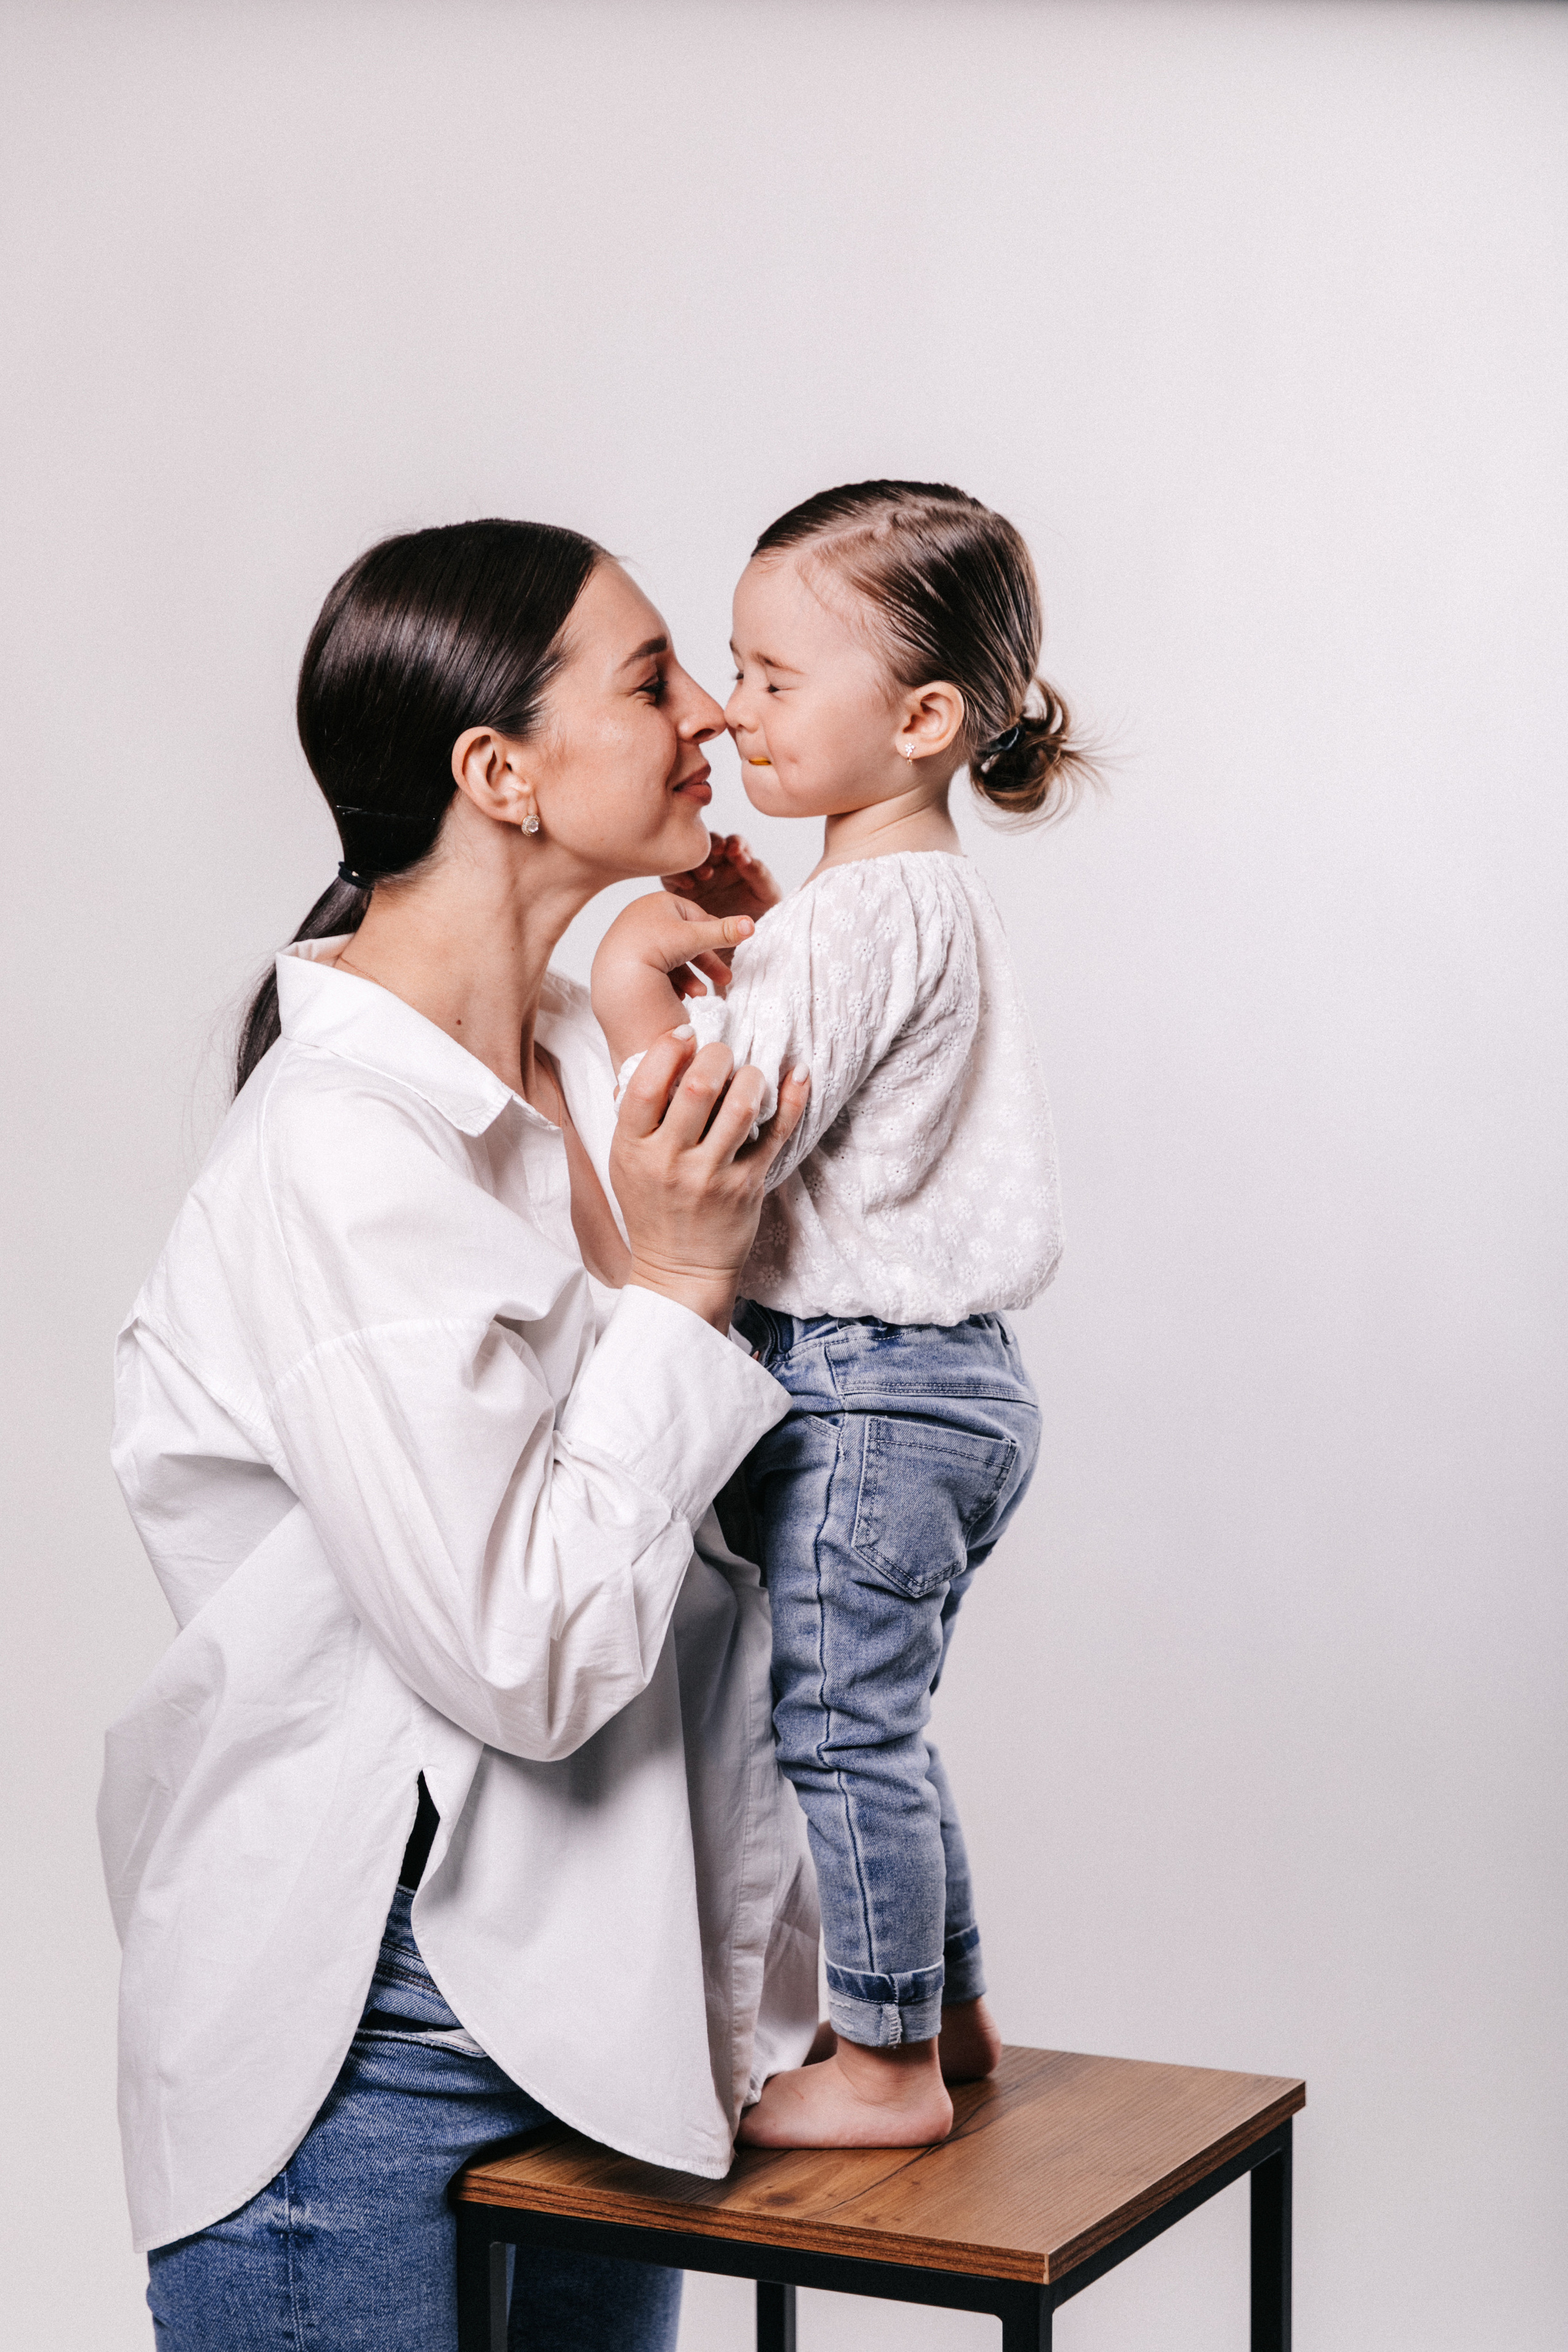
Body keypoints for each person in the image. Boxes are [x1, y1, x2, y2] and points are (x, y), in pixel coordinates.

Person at [99, 519, 820, 2351]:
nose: (720, 717)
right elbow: (528, 1655)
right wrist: (675, 1279)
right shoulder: (343, 1153)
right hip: (370, 2053)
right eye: (654, 680)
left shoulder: (591, 1068)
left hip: (601, 2013)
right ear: (498, 775)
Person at [591, 480, 1094, 2149]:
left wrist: (629, 1001)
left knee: (836, 1720)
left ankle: (883, 2069)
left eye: (772, 677)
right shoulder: (919, 900)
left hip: (864, 1391)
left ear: (928, 716)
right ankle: (942, 2013)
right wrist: (761, 950)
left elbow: (734, 1142)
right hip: (953, 1389)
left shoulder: (853, 918)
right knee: (879, 1715)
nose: (732, 709)